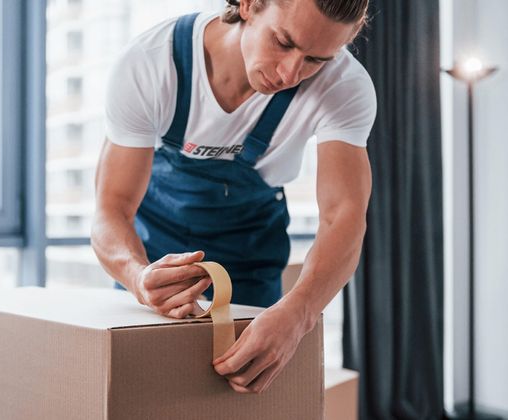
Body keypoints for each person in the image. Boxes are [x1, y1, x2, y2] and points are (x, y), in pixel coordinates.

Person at [91, 0, 375, 394]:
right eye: (283, 42)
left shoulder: (345, 86)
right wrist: (137, 276)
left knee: (243, 393)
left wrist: (300, 313)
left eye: (315, 59)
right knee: (145, 392)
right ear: (248, 5)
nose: (291, 73)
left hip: (250, 248)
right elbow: (111, 209)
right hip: (155, 256)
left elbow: (344, 216)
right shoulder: (150, 64)